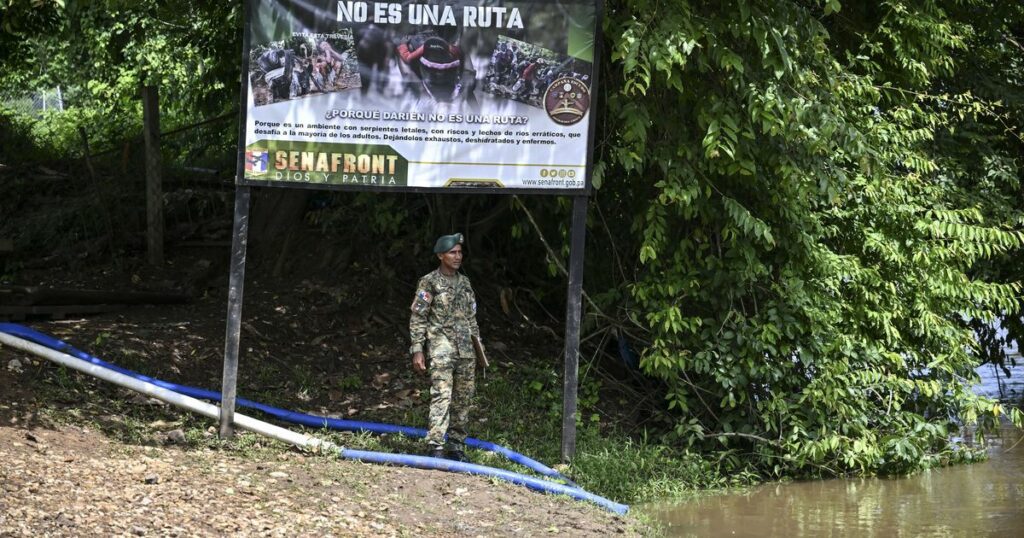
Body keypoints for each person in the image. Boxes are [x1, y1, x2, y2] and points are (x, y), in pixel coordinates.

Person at [409, 233, 481, 461]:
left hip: (466, 350)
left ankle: (456, 446)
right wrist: (417, 348)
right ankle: (436, 445)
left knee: (463, 399)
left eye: (460, 252)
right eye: (453, 252)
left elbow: (472, 317)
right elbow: (418, 316)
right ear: (441, 255)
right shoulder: (429, 281)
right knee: (442, 395)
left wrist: (479, 347)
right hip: (441, 347)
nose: (458, 256)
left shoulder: (465, 283)